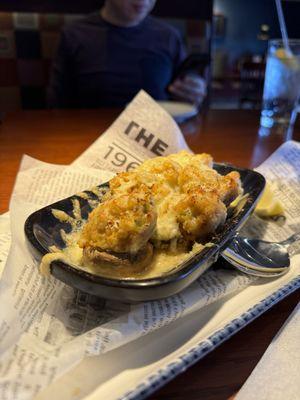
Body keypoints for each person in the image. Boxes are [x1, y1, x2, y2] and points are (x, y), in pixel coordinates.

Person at [48, 0, 207, 108]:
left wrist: (192, 91)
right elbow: (57, 103)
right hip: (90, 135)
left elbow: (183, 88)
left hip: (154, 136)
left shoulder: (169, 36)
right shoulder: (74, 34)